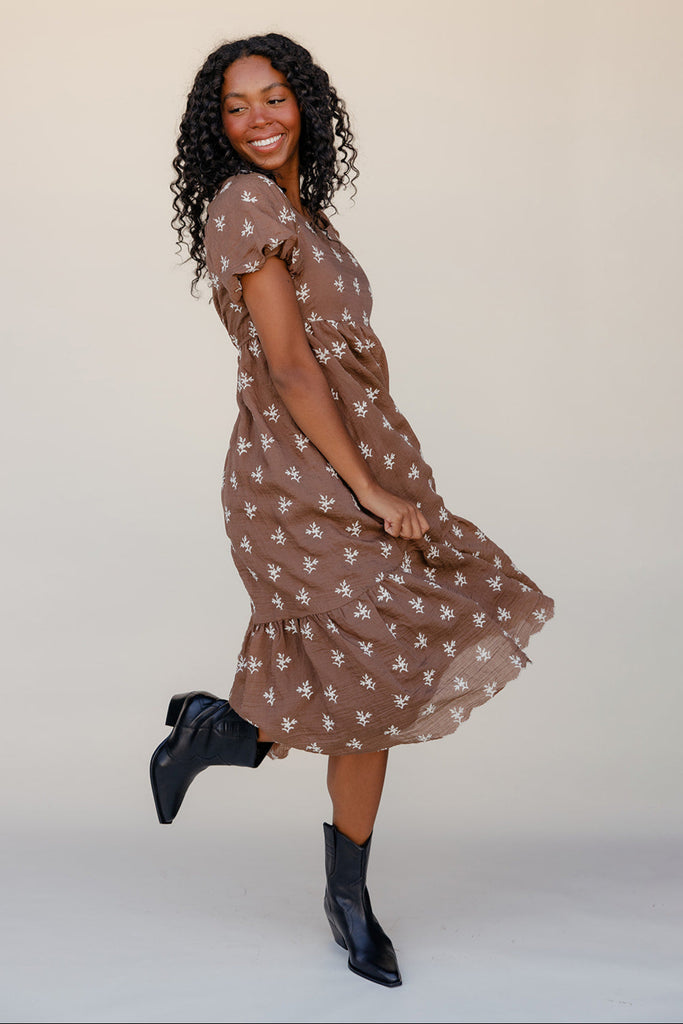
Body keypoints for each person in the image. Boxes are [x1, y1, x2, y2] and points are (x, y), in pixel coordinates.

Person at [150, 32, 555, 988]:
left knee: (372, 684)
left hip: (355, 459)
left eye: (274, 98)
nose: (258, 119)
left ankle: (341, 894)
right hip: (295, 482)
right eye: (237, 106)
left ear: (306, 107)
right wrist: (366, 489)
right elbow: (289, 365)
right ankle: (223, 737)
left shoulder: (305, 214)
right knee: (372, 666)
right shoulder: (245, 204)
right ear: (217, 127)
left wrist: (386, 469)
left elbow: (345, 363)